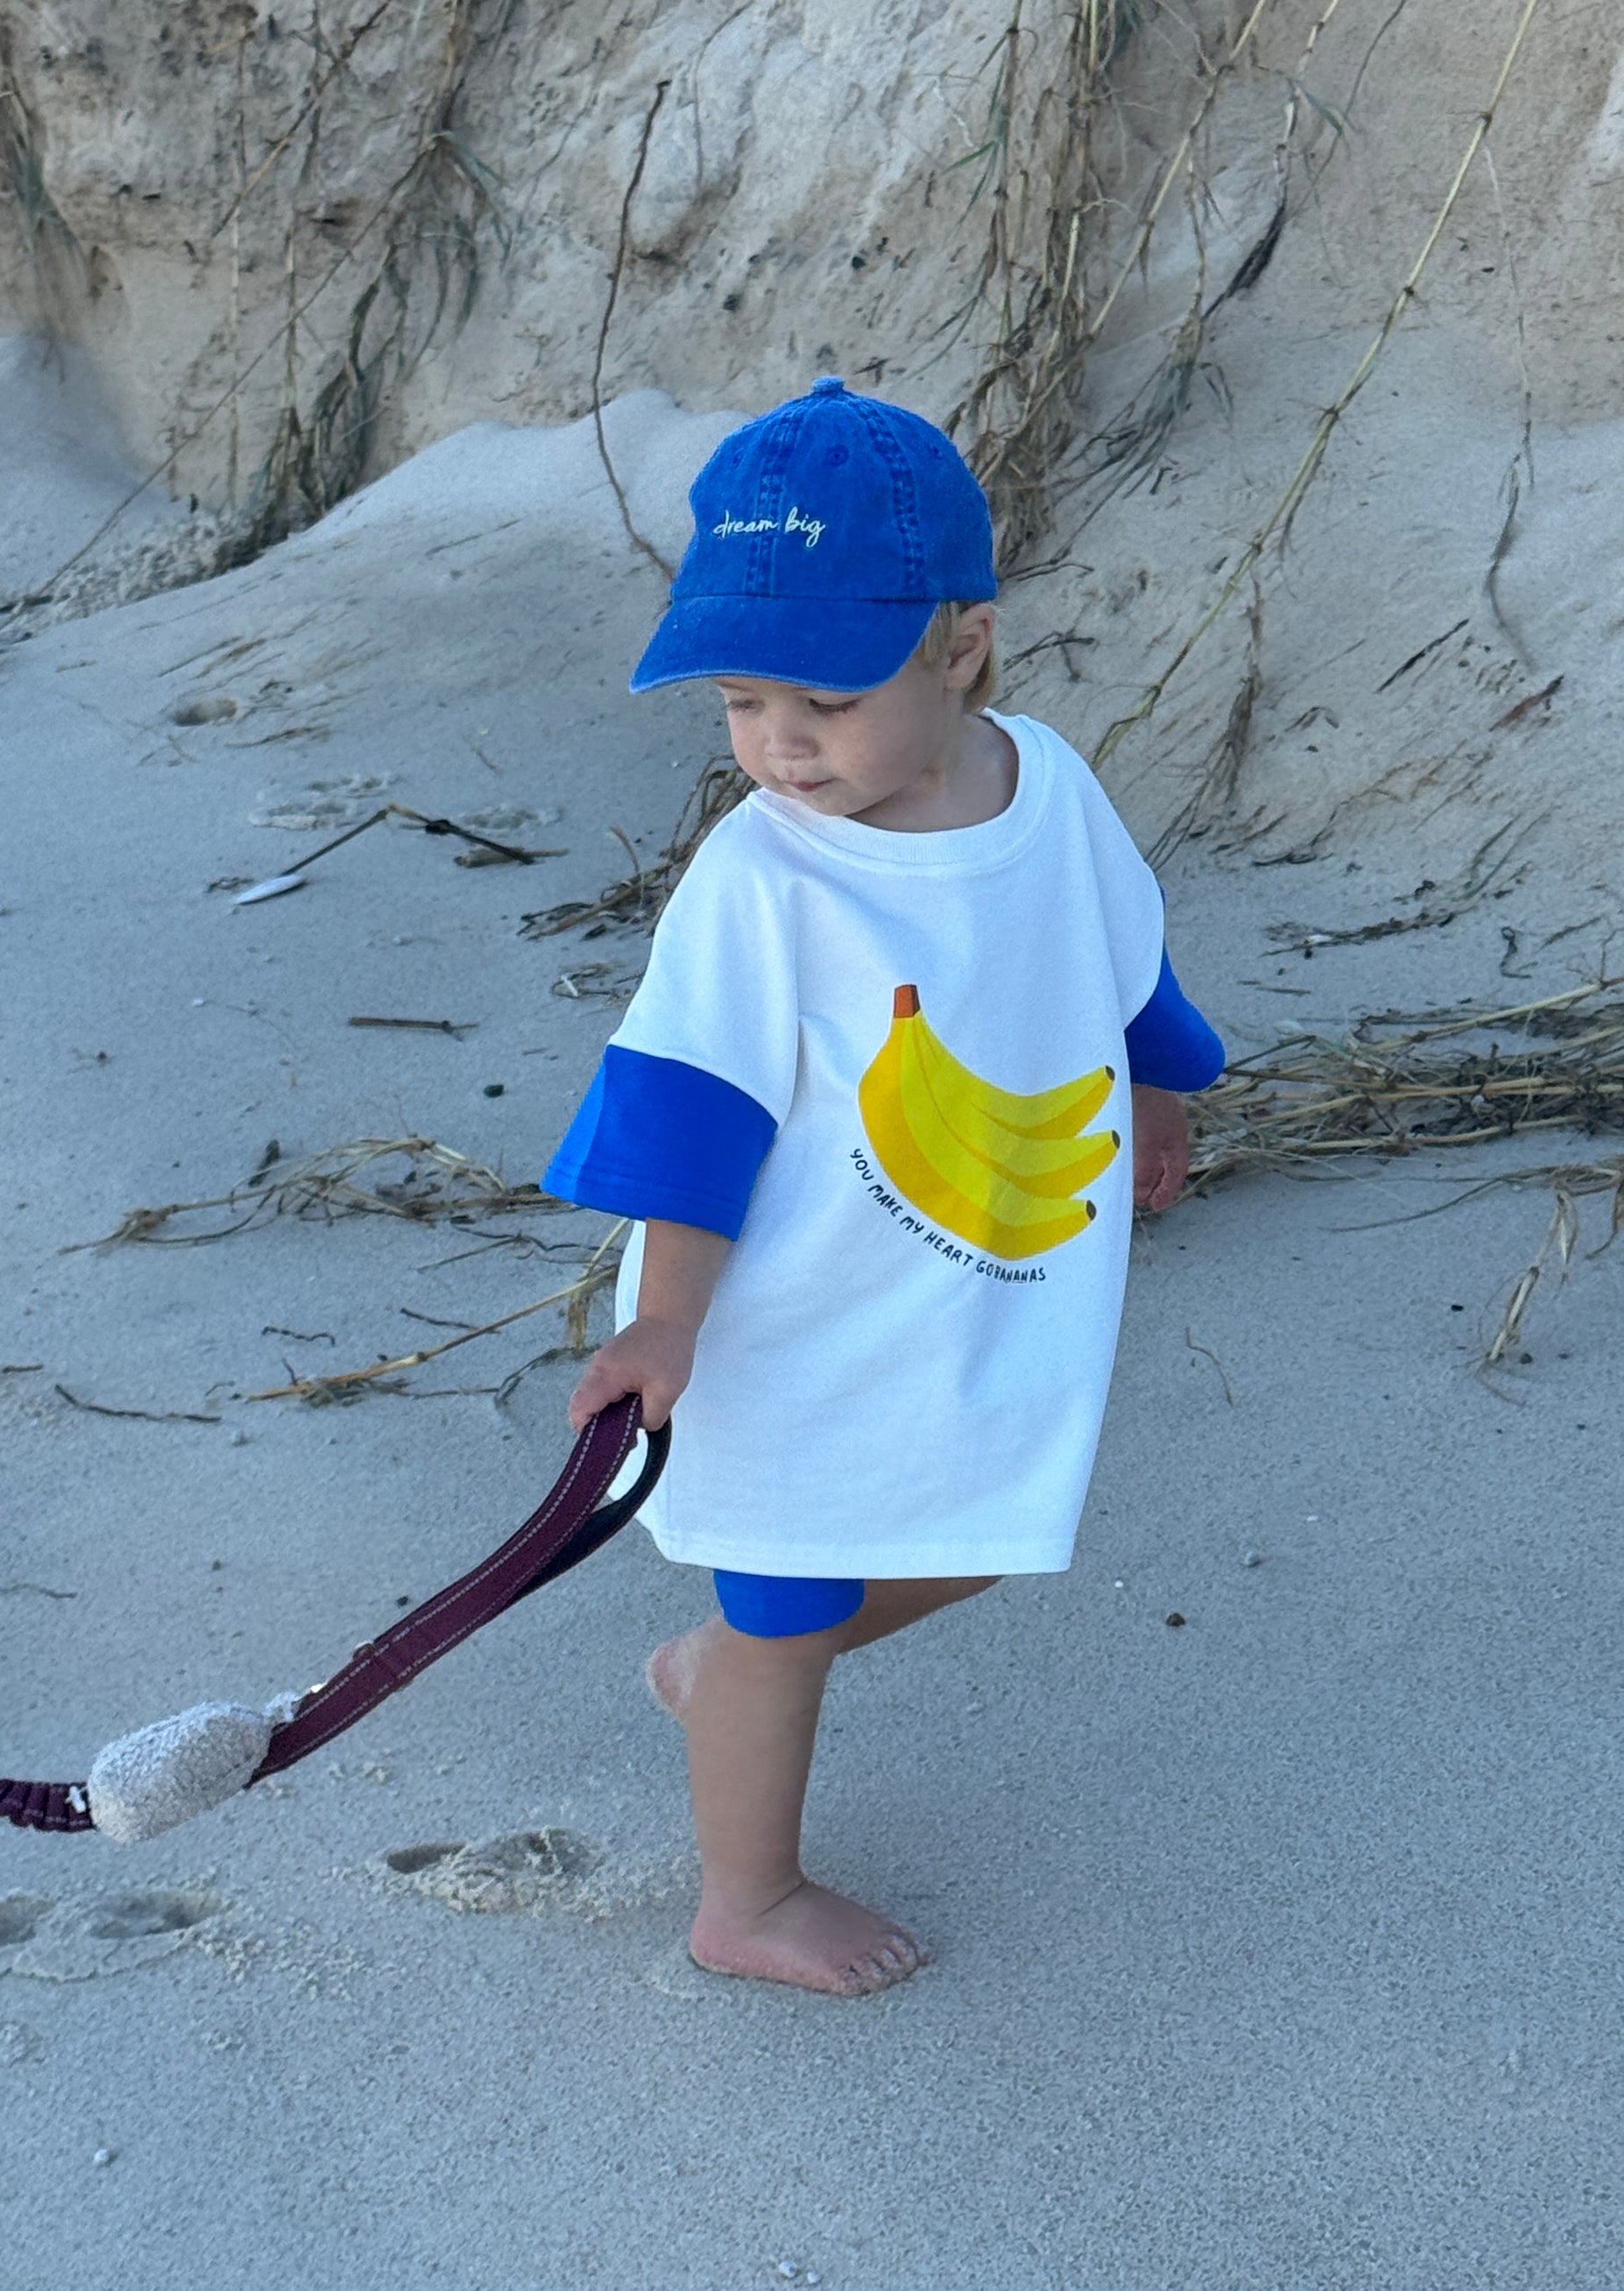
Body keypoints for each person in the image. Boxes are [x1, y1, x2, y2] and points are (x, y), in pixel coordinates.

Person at [543, 378, 1224, 1996]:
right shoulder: (759, 882)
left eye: (824, 701)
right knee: (788, 1596)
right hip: (772, 1311)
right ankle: (746, 1896)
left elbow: (1121, 957)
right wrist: (662, 1327)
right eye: (738, 702)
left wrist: (1163, 1091)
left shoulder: (1047, 788)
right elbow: (684, 1117)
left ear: (960, 645)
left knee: (982, 1525)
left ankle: (719, 1676)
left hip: (972, 1280)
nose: (777, 746)